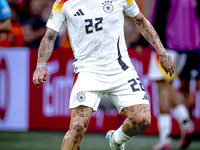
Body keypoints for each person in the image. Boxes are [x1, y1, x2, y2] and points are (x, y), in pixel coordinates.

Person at [32, 0, 175, 149]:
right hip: (87, 71)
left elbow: (141, 22)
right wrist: (41, 65)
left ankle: (116, 139)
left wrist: (162, 53)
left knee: (143, 120)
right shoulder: (64, 3)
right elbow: (50, 35)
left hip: (120, 68)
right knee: (77, 127)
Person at [146, 0, 199, 149]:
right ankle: (180, 127)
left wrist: (151, 44)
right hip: (187, 48)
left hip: (167, 45)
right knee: (167, 86)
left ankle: (177, 128)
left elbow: (160, 18)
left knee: (162, 87)